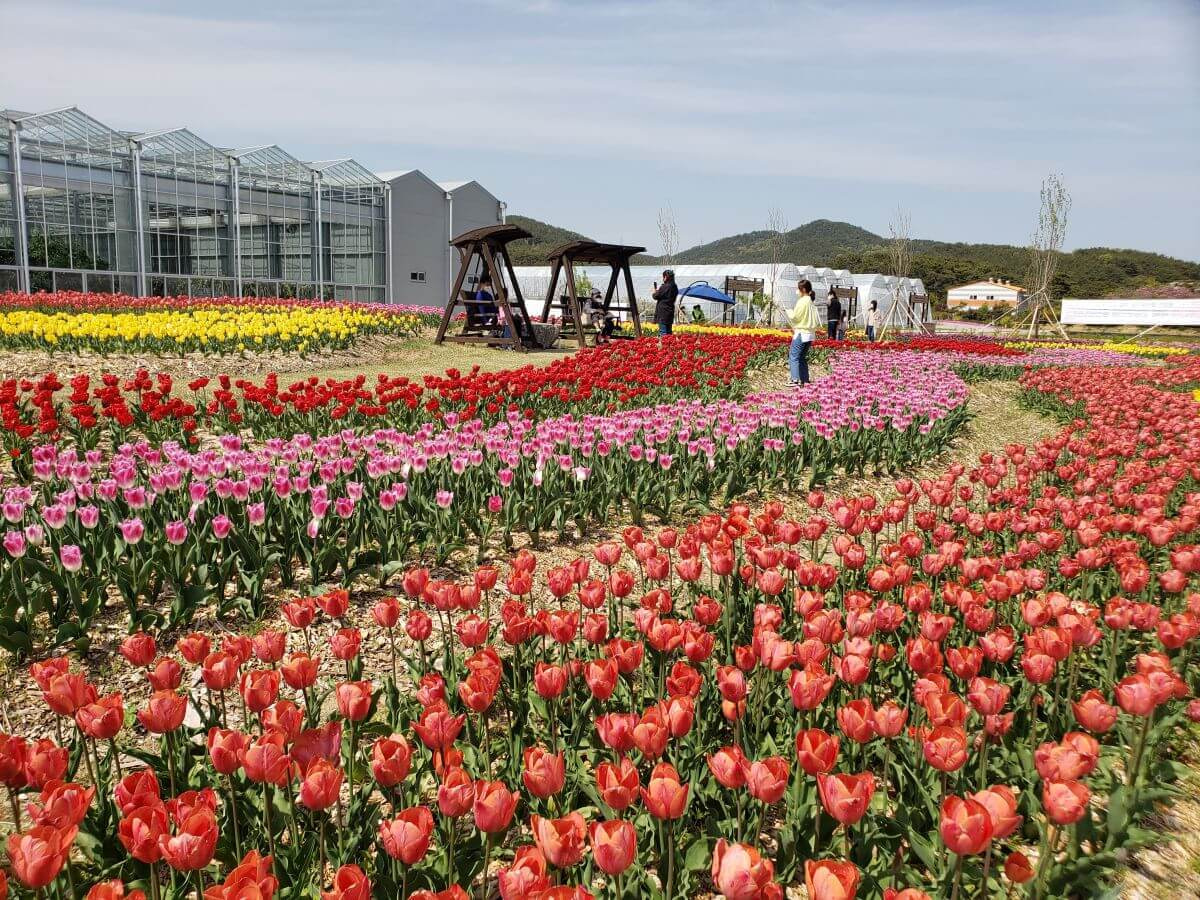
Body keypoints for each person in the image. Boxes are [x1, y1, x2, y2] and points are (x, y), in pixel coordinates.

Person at [786, 279, 822, 386]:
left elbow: (796, 317)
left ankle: (795, 379)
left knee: (793, 356)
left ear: (803, 289)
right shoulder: (811, 301)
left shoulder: (802, 301)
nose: (798, 291)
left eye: (799, 288)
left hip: (802, 332)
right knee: (802, 357)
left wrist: (789, 312)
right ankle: (805, 379)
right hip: (810, 334)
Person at [652, 269, 678, 337]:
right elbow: (664, 295)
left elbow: (655, 296)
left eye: (663, 277)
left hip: (663, 312)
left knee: (663, 332)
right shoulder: (674, 286)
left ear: (666, 277)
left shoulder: (665, 286)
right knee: (669, 331)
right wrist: (659, 291)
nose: (663, 278)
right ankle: (670, 346)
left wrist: (655, 292)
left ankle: (664, 346)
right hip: (670, 311)